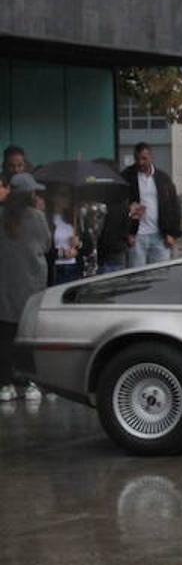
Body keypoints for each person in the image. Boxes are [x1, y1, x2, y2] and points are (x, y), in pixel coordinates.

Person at [0, 173, 53, 404]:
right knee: (31, 337)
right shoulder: (37, 217)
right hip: (32, 285)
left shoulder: (1, 218)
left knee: (5, 336)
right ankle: (33, 383)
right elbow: (47, 244)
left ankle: (5, 385)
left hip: (5, 285)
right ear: (29, 195)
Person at [122, 143, 181, 267]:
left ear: (151, 157)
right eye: (137, 159)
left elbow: (174, 206)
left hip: (160, 236)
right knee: (138, 278)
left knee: (160, 277)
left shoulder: (163, 178)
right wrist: (126, 233)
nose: (140, 162)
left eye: (144, 158)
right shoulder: (127, 177)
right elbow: (119, 206)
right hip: (137, 237)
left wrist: (173, 234)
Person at [46, 187, 82, 285]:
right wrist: (62, 253)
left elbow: (87, 245)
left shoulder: (73, 218)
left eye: (68, 195)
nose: (67, 199)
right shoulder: (46, 220)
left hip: (73, 268)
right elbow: (45, 249)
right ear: (53, 197)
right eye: (63, 195)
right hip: (56, 269)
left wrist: (78, 243)